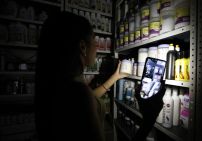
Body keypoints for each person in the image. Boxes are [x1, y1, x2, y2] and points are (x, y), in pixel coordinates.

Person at [35, 11, 165, 141]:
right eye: (94, 40)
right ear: (82, 47)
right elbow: (85, 98)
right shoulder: (79, 92)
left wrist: (116, 76)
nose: (96, 47)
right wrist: (148, 122)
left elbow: (91, 96)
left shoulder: (58, 83)